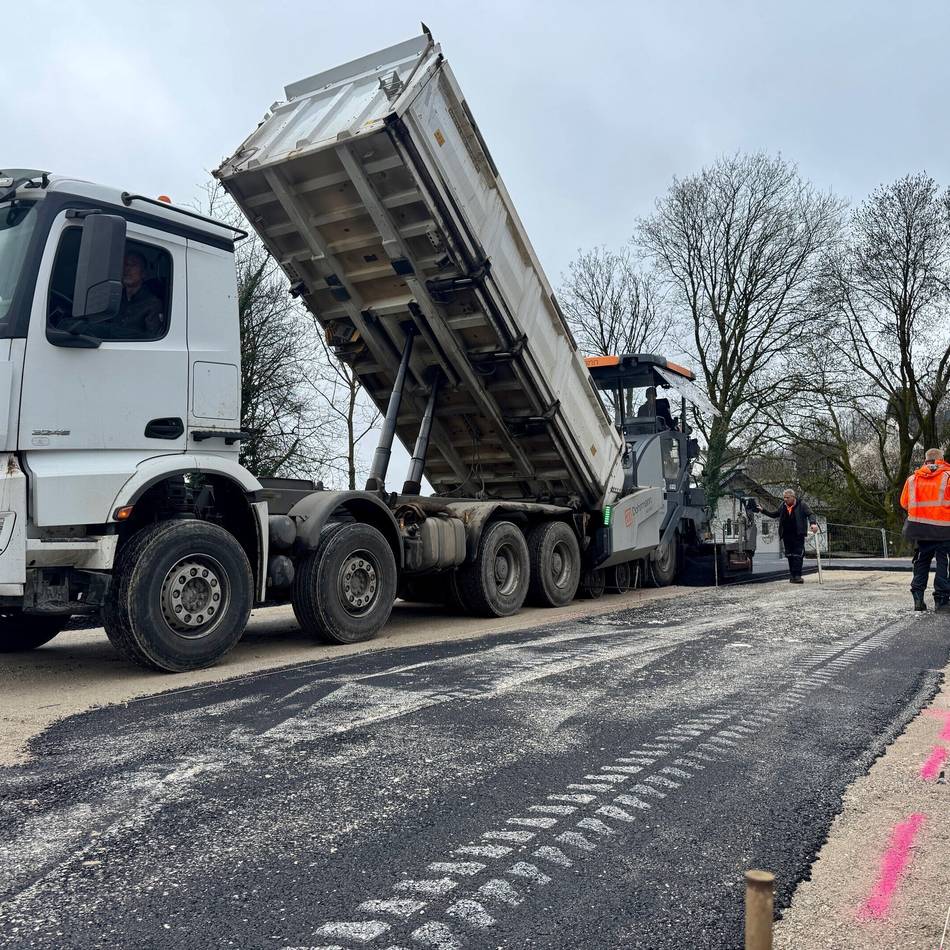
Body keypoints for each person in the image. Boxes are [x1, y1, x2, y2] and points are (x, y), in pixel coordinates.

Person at [900, 447, 950, 612]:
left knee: (921, 562)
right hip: (945, 529)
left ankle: (918, 598)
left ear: (925, 460)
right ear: (941, 459)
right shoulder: (948, 477)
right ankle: (942, 601)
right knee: (944, 562)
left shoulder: (913, 479)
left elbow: (904, 503)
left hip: (920, 530)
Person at [757, 489, 819, 584]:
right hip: (786, 534)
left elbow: (811, 514)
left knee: (798, 555)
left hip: (798, 534)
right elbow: (775, 514)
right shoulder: (783, 506)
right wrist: (763, 511)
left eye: (787, 497)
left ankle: (798, 576)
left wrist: (813, 523)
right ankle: (792, 576)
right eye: (784, 497)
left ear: (793, 497)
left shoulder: (801, 504)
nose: (785, 499)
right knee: (790, 555)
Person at [99, 250, 163, 340]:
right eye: (124, 264)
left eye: (133, 264)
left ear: (144, 273)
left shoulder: (153, 304)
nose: (127, 269)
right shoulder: (113, 299)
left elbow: (152, 339)